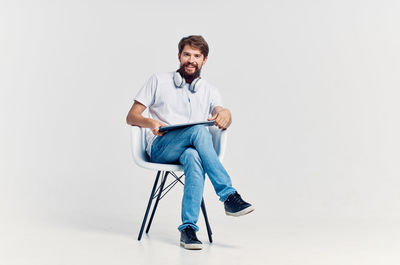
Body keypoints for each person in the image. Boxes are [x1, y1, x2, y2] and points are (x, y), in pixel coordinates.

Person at [126, 35, 254, 250]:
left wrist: (226, 113)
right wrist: (149, 122)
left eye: (196, 56)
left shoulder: (210, 90)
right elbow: (131, 117)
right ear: (179, 56)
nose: (191, 59)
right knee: (198, 130)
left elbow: (220, 113)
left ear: (204, 60)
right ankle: (229, 195)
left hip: (191, 149)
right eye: (187, 54)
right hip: (162, 146)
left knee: (194, 156)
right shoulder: (158, 80)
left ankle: (188, 230)